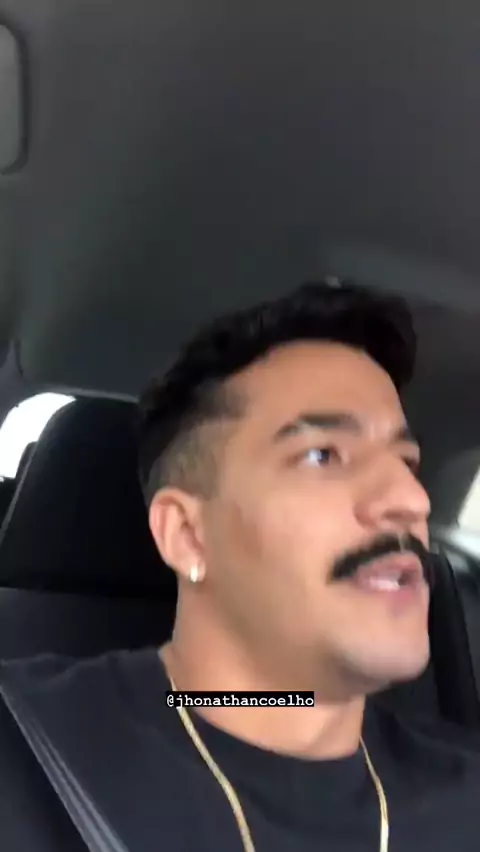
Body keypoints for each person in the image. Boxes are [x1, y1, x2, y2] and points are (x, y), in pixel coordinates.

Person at [2, 281, 480, 852]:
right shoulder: (23, 756)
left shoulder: (465, 794)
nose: (411, 500)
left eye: (407, 462)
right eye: (323, 455)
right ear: (187, 535)